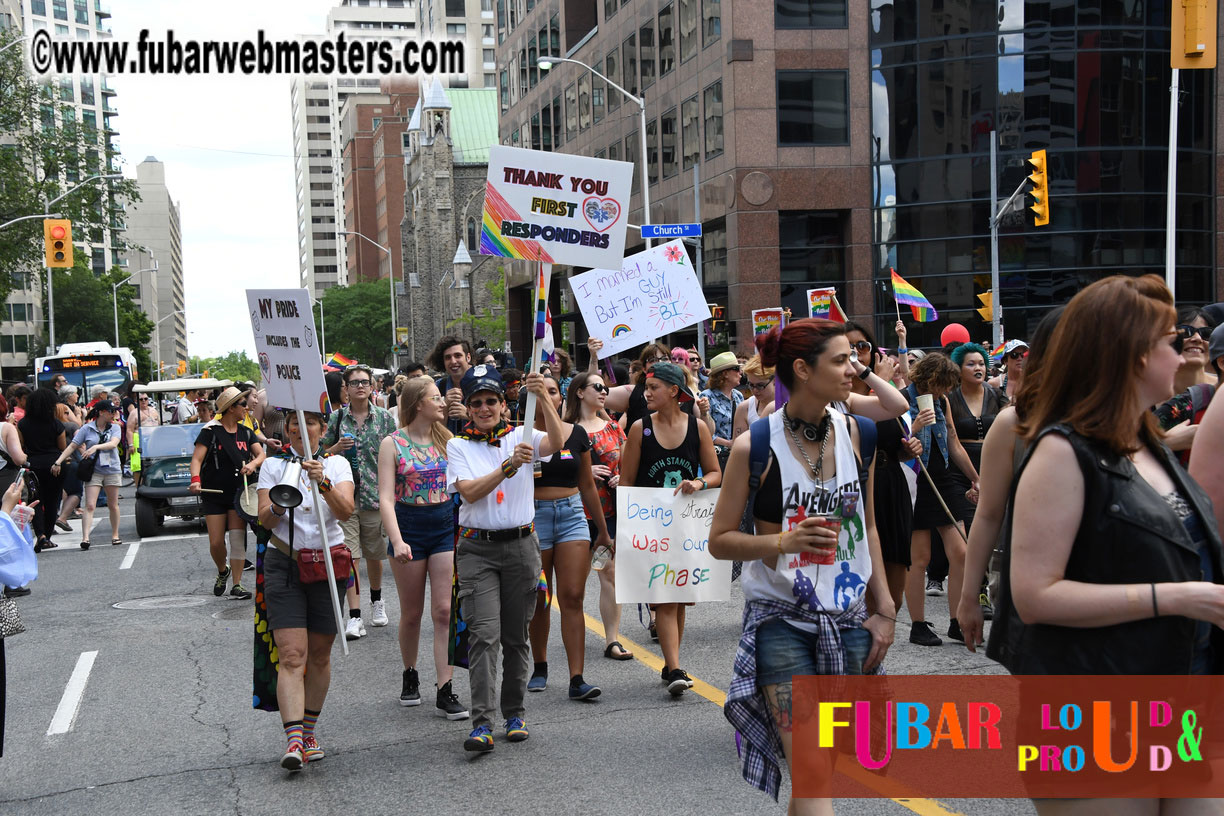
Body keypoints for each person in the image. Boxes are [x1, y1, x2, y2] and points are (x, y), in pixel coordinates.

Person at [1004, 276, 1223, 814]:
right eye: (1171, 341)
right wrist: (1175, 597)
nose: (1187, 350)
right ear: (1132, 356)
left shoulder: (1146, 441)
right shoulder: (1062, 451)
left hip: (1183, 699)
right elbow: (1033, 596)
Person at [708, 318, 895, 810]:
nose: (854, 369)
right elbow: (720, 541)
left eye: (854, 358)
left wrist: (886, 609)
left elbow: (869, 527)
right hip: (781, 624)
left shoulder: (861, 434)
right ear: (802, 370)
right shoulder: (756, 447)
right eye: (841, 360)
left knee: (820, 773)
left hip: (850, 622)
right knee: (813, 774)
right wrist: (783, 541)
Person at [446, 366, 563, 752]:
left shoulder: (522, 434)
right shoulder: (458, 445)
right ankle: (482, 722)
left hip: (521, 546)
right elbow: (469, 494)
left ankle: (515, 713)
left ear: (503, 404)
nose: (484, 408)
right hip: (477, 549)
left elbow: (560, 442)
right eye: (477, 402)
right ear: (469, 406)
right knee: (484, 635)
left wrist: (541, 396)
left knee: (516, 635)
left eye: (491, 401)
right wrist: (509, 465)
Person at [954, 306, 1064, 652]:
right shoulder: (1013, 421)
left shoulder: (1119, 420)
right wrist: (969, 597)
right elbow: (989, 514)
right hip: (1029, 581)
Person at [256, 410, 355, 771]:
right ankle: (294, 740)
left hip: (328, 565)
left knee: (319, 656)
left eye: (309, 423)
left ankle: (309, 730)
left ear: (323, 429)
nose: (300, 430)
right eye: (294, 425)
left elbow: (346, 512)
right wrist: (282, 502)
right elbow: (264, 518)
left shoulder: (339, 464)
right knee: (292, 655)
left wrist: (322, 482)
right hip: (285, 562)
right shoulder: (273, 467)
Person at [618, 362, 722, 694]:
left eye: (653, 388)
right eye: (645, 388)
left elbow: (716, 473)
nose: (646, 393)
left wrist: (698, 482)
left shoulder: (697, 428)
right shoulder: (639, 429)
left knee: (680, 597)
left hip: (687, 525)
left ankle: (669, 663)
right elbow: (627, 482)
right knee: (664, 599)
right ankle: (676, 668)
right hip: (651, 527)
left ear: (674, 392)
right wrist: (625, 532)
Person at [378, 376, 468, 719]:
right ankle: (410, 673)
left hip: (444, 526)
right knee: (412, 613)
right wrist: (398, 539)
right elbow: (386, 497)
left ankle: (445, 688)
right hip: (409, 527)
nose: (442, 403)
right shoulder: (393, 443)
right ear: (418, 404)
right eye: (436, 398)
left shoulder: (447, 439)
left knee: (444, 611)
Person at [526, 374, 612, 699]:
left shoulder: (576, 434)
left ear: (561, 398)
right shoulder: (522, 436)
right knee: (540, 597)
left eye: (553, 392)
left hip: (573, 514)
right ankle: (540, 665)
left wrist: (602, 530)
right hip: (535, 517)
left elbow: (588, 483)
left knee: (573, 596)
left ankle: (577, 678)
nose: (548, 396)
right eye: (540, 392)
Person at [903, 353, 980, 647]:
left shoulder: (942, 402)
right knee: (919, 557)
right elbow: (896, 443)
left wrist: (975, 478)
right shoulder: (902, 401)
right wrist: (915, 426)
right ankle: (918, 625)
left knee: (960, 551)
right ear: (931, 380)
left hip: (943, 476)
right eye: (943, 386)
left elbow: (953, 442)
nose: (946, 393)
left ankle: (956, 622)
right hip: (916, 479)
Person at [323, 364, 397, 640]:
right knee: (350, 555)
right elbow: (321, 452)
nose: (360, 387)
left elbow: (396, 454)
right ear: (346, 388)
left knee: (375, 554)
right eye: (354, 383)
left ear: (372, 385)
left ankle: (377, 600)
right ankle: (354, 616)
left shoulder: (384, 419)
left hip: (376, 498)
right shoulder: (337, 419)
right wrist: (335, 449)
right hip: (345, 497)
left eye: (364, 382)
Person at [566, 371, 631, 661]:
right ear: (580, 392)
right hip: (576, 513)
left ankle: (611, 640)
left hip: (610, 512)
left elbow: (628, 463)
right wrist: (584, 470)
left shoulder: (613, 427)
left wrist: (621, 477)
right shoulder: (565, 429)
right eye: (598, 387)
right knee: (575, 584)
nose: (604, 392)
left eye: (606, 387)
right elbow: (554, 464)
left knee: (609, 573)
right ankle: (574, 636)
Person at [189, 388, 265, 599]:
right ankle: (223, 570)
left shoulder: (246, 432)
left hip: (239, 494)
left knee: (238, 540)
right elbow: (196, 460)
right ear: (231, 408)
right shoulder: (210, 431)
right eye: (243, 404)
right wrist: (195, 480)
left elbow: (261, 455)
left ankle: (237, 584)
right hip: (213, 493)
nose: (247, 408)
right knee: (215, 542)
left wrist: (252, 464)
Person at [1153, 307, 1218, 459]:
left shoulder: (1221, 390)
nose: (1197, 338)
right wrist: (1167, 443)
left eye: (1206, 333)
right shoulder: (1146, 395)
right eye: (1186, 331)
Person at [18, 388, 65, 553]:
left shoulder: (23, 424)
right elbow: (62, 447)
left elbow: (22, 446)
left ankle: (40, 534)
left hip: (32, 467)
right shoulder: (56, 424)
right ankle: (48, 535)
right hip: (54, 466)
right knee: (53, 501)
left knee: (36, 500)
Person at [700, 352, 744, 472]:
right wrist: (729, 443)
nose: (740, 372)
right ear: (725, 374)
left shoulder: (738, 396)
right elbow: (705, 432)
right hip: (717, 458)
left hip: (738, 455)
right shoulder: (707, 396)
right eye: (736, 368)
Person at [430, 335, 473, 435]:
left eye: (458, 355)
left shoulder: (483, 383)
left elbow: (501, 419)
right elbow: (432, 427)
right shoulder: (437, 388)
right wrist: (445, 404)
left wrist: (469, 415)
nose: (453, 361)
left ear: (468, 357)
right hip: (447, 447)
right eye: (448, 357)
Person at [732, 355, 776, 440]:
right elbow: (737, 446)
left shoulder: (789, 405)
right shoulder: (744, 408)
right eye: (751, 385)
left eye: (760, 385)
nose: (755, 390)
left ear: (775, 381)